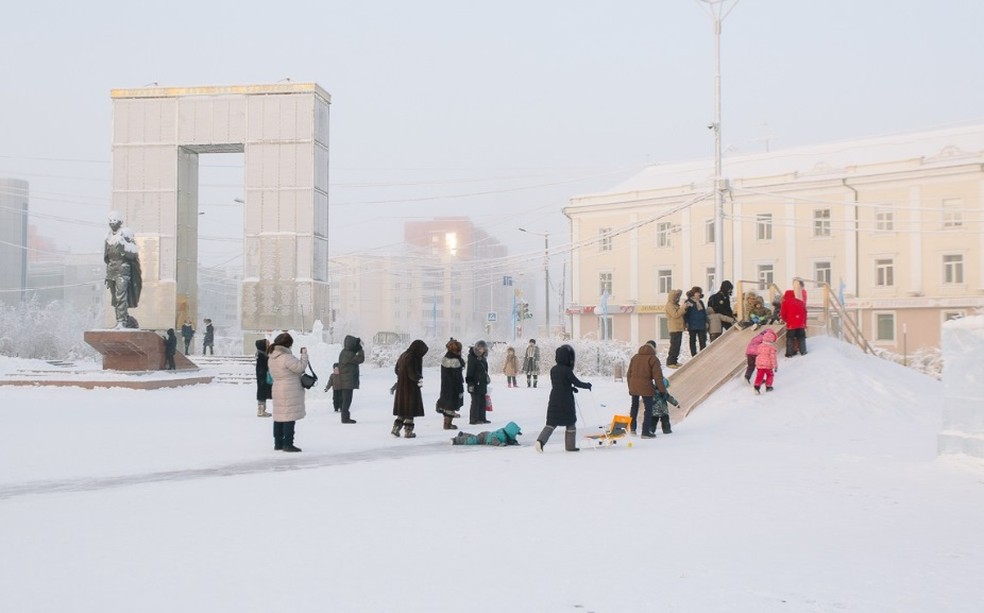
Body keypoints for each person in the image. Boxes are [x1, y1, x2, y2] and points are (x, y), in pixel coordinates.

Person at [534, 344, 592, 453]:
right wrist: (587, 385)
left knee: (551, 423)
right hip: (566, 401)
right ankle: (570, 446)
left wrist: (571, 389)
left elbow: (561, 384)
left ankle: (540, 441)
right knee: (570, 423)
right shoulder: (567, 370)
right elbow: (576, 382)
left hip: (554, 398)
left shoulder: (553, 370)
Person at [267, 332, 309, 452]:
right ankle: (288, 444)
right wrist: (304, 355)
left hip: (277, 387)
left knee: (279, 416)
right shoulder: (285, 357)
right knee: (289, 417)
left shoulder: (272, 357)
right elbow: (300, 367)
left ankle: (278, 443)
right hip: (289, 389)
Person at [104, 212, 142, 329]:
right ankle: (120, 319)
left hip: (123, 269)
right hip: (111, 270)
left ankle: (122, 321)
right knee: (115, 298)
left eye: (115, 222)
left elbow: (134, 252)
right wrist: (107, 274)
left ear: (120, 222)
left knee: (121, 296)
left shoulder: (125, 234)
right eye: (111, 222)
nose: (112, 224)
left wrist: (123, 249)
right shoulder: (108, 236)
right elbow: (107, 257)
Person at [627, 341, 668, 438]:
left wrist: (630, 387)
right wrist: (663, 391)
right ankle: (645, 432)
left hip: (634, 385)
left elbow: (629, 374)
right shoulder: (653, 359)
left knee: (634, 406)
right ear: (654, 348)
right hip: (646, 386)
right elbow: (658, 377)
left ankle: (632, 429)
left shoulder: (635, 357)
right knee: (648, 409)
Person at [391, 339, 429, 438]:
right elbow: (412, 374)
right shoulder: (412, 357)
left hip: (401, 386)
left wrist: (402, 376)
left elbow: (396, 369)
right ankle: (408, 432)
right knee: (410, 410)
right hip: (410, 387)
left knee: (402, 410)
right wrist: (418, 378)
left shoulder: (403, 355)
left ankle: (395, 429)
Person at [437, 338, 465, 430]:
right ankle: (448, 424)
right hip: (453, 386)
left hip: (445, 385)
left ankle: (446, 423)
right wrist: (460, 390)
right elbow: (457, 377)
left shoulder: (445, 358)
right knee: (451, 405)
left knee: (447, 404)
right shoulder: (455, 360)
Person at [335, 335, 365, 424]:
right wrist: (360, 351)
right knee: (347, 400)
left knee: (346, 399)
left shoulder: (345, 352)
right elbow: (360, 359)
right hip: (347, 380)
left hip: (346, 379)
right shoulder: (348, 354)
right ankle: (345, 418)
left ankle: (345, 417)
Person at [466, 340, 491, 425]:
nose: (481, 350)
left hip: (482, 383)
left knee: (482, 401)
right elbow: (469, 372)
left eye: (483, 348)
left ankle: (482, 418)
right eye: (480, 348)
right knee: (475, 401)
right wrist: (470, 384)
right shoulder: (472, 358)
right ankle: (473, 419)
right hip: (475, 383)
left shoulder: (483, 358)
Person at [780, 288, 808, 357]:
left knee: (790, 338)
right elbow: (805, 312)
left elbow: (783, 314)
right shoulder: (800, 302)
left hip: (791, 324)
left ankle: (789, 353)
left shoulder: (785, 302)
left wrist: (786, 320)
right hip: (801, 324)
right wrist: (804, 322)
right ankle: (803, 351)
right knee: (801, 337)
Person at [451, 421, 522, 446]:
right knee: (472, 440)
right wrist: (498, 444)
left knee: (475, 437)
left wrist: (514, 442)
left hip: (486, 435)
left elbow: (510, 440)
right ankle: (457, 440)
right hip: (485, 438)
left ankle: (463, 434)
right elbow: (493, 439)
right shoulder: (501, 434)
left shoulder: (506, 434)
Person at [684, 286, 708, 357]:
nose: (697, 295)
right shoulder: (689, 302)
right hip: (692, 324)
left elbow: (704, 313)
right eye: (696, 293)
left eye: (699, 293)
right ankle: (693, 355)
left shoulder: (700, 302)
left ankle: (703, 354)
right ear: (693, 294)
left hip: (701, 324)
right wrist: (686, 322)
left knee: (702, 340)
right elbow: (686, 313)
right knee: (692, 341)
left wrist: (706, 321)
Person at [753, 329, 779, 393]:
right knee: (770, 375)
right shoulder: (771, 348)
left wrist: (757, 362)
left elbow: (757, 353)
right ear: (772, 340)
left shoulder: (759, 346)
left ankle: (756, 387)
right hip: (768, 365)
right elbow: (773, 357)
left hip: (760, 364)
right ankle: (768, 386)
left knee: (759, 375)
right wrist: (775, 366)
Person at [665, 289, 685, 368]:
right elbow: (675, 314)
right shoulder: (669, 305)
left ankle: (674, 360)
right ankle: (670, 361)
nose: (677, 298)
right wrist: (683, 308)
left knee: (678, 346)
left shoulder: (676, 305)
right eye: (676, 296)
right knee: (674, 345)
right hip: (674, 328)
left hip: (679, 327)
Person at [254, 339, 273, 417]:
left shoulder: (262, 354)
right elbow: (263, 367)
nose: (269, 345)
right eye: (267, 343)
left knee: (263, 393)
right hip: (263, 377)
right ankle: (261, 411)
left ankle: (262, 410)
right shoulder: (262, 355)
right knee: (262, 393)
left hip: (263, 376)